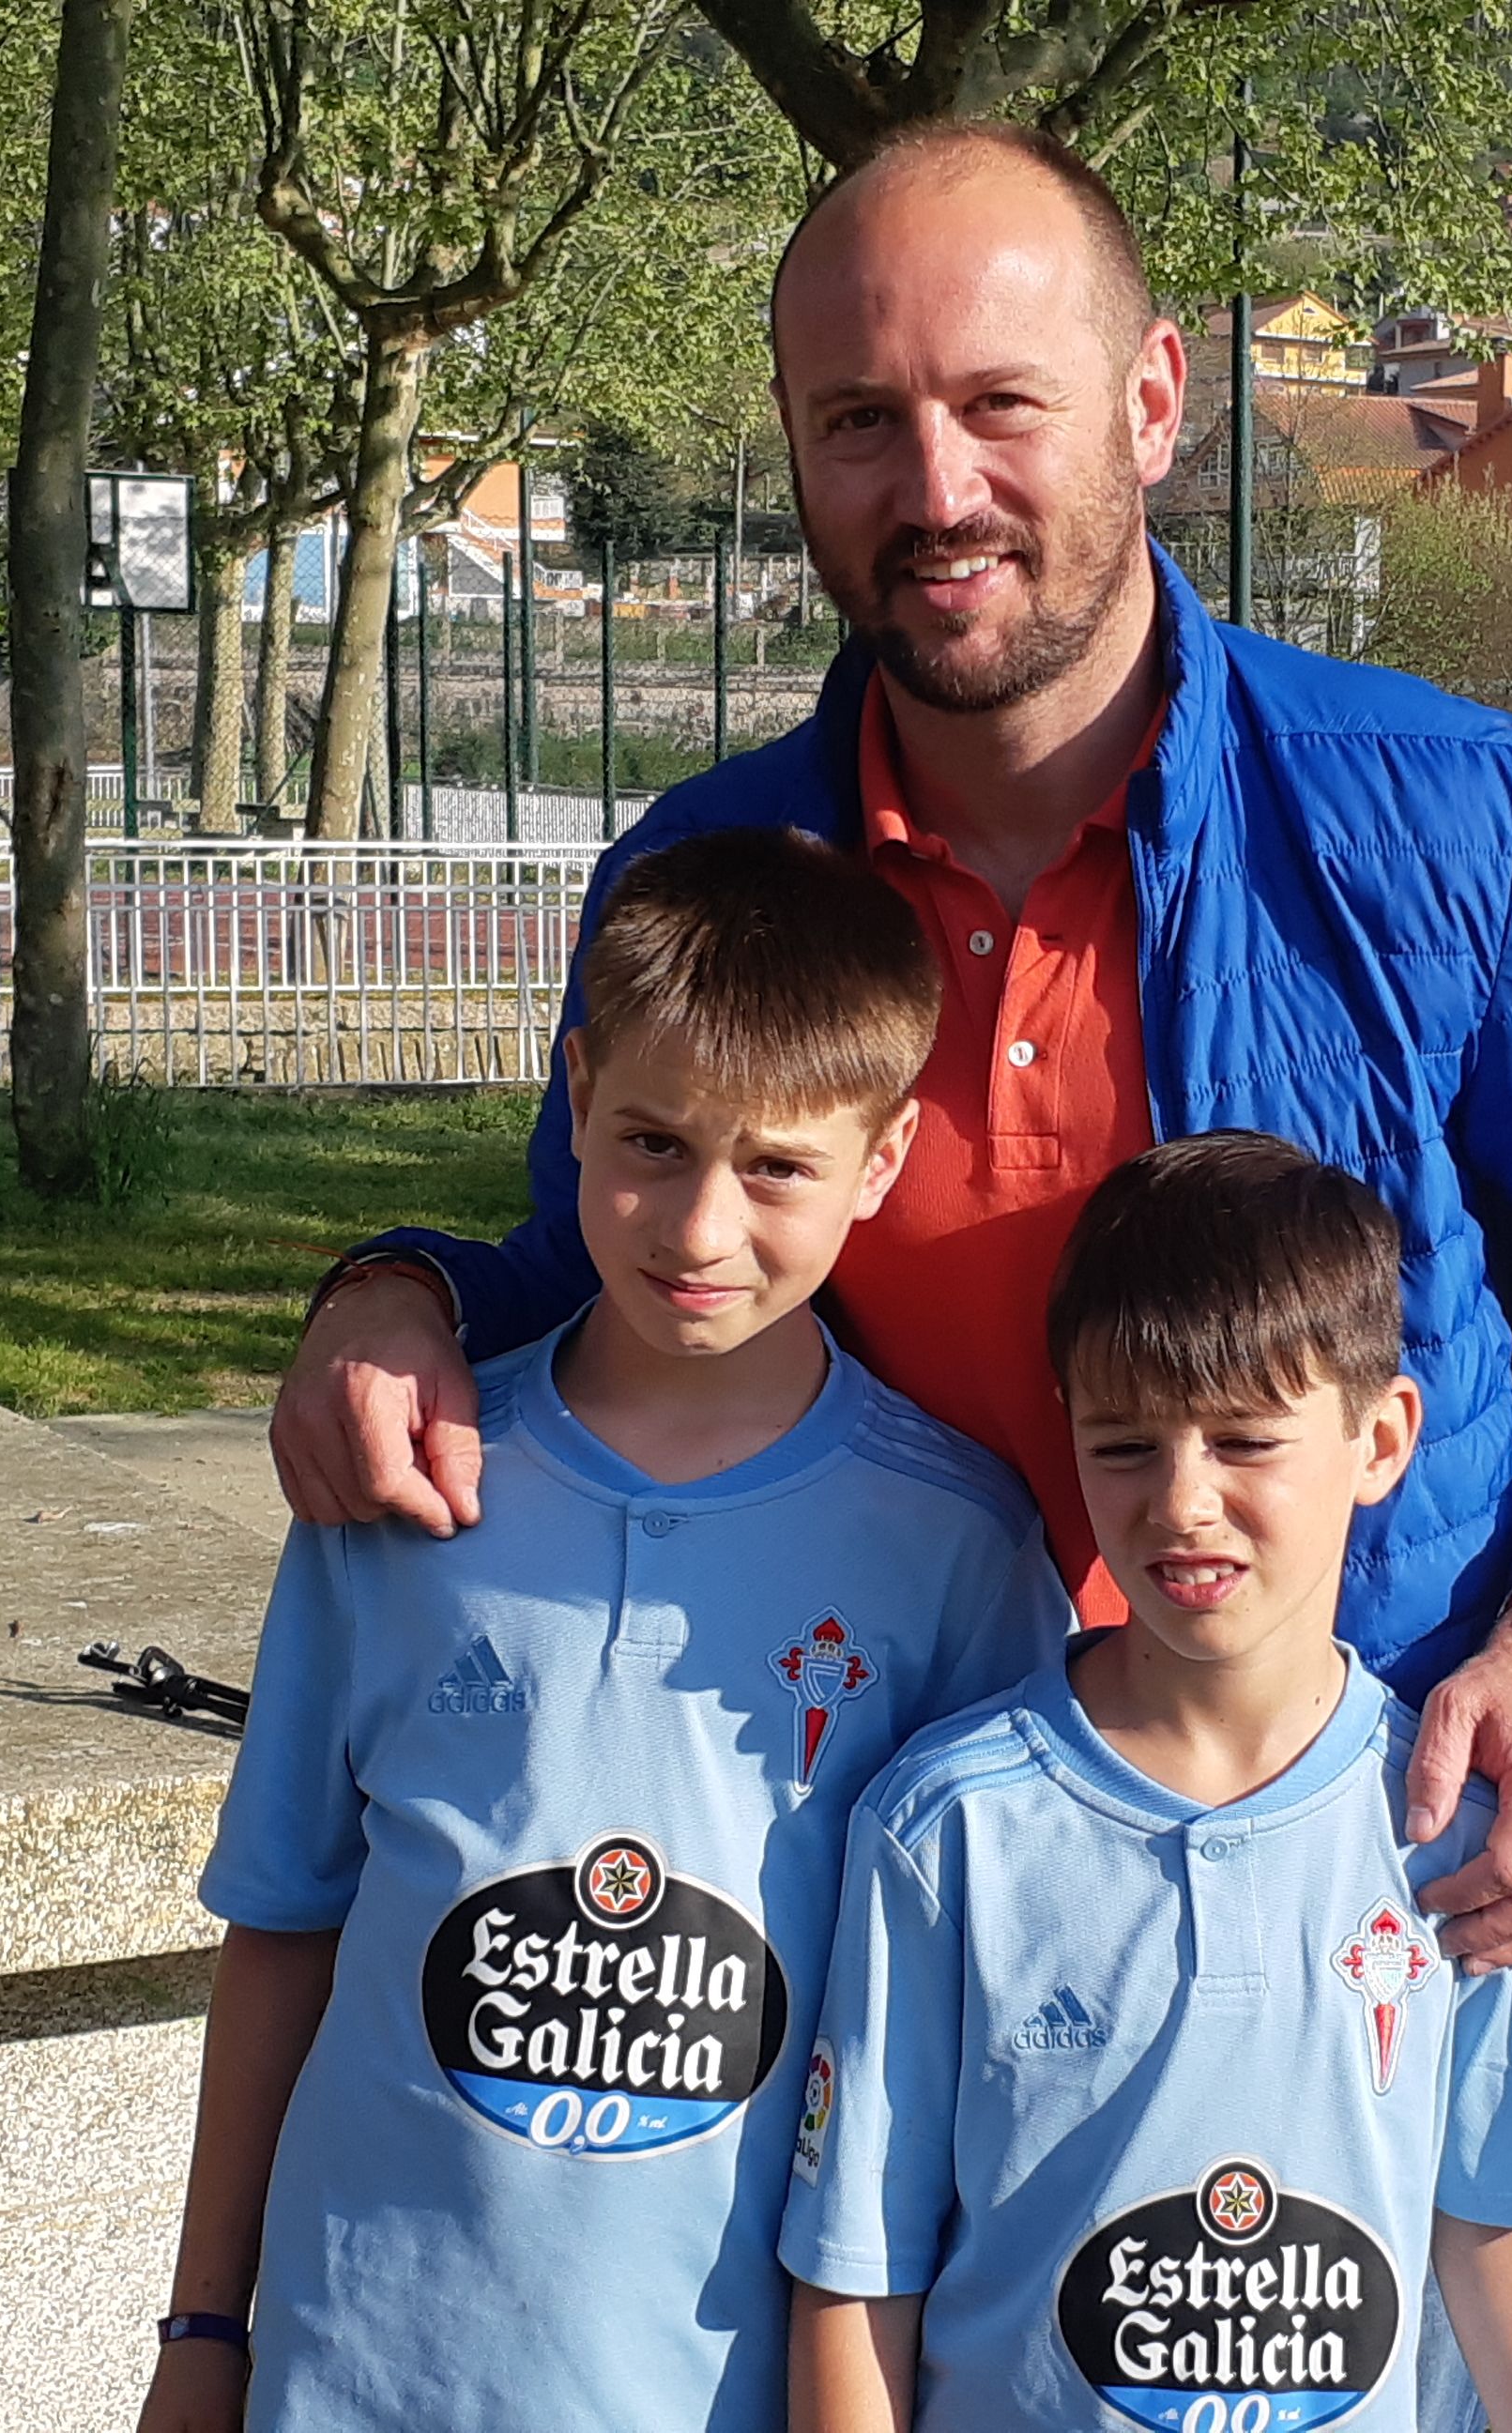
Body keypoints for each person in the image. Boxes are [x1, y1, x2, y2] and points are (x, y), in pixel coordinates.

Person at [270, 118, 1512, 1974]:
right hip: (867, 1866)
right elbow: (620, 1282)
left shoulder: (1463, 822)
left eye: (1000, 404)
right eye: (860, 419)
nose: (936, 488)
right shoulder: (707, 874)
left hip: (1350, 1861)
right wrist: (400, 1297)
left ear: (1153, 401)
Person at [145, 830, 1068, 2433]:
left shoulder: (961, 1550)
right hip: (354, 2372)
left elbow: (975, 2051)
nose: (699, 1227)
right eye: (650, 1139)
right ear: (573, 1096)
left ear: (883, 1155)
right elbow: (284, 1927)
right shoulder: (401, 1491)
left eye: (776, 1165)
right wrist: (203, 2327)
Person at [781, 1135, 1512, 2433]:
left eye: (1245, 1440)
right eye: (1125, 1445)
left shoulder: (1466, 1833)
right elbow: (855, 2274)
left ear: (1382, 1438)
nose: (1184, 1501)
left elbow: (1502, 2222)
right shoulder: (947, 1828)